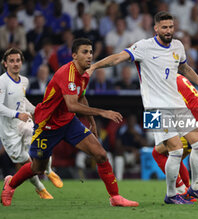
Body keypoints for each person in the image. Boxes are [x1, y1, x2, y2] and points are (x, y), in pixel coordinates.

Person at [90, 11, 198, 204]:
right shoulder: (143, 47)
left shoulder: (178, 46)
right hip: (155, 109)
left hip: (177, 104)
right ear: (156, 28)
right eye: (165, 27)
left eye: (171, 27)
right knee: (175, 151)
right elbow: (118, 58)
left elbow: (185, 68)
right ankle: (171, 194)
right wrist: (94, 67)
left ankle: (195, 188)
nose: (169, 31)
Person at [1, 39, 139, 207]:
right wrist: (103, 112)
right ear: (74, 55)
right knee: (37, 168)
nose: (89, 56)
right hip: (47, 125)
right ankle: (11, 184)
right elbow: (72, 104)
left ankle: (115, 197)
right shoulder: (66, 73)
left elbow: (81, 96)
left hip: (68, 121)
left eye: (90, 52)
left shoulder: (85, 73)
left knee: (101, 154)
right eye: (84, 52)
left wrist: (92, 122)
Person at [0, 48, 62, 201]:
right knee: (25, 163)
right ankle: (40, 188)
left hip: (24, 122)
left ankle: (48, 170)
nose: (15, 64)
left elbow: (22, 101)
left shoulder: (24, 80)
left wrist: (36, 111)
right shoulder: (2, 81)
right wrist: (17, 114)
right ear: (5, 63)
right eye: (12, 61)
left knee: (38, 141)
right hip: (8, 130)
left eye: (18, 60)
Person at [152, 74, 198, 201]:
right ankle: (188, 189)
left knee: (159, 153)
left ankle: (180, 190)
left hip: (194, 121)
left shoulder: (163, 81)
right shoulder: (177, 76)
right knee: (176, 156)